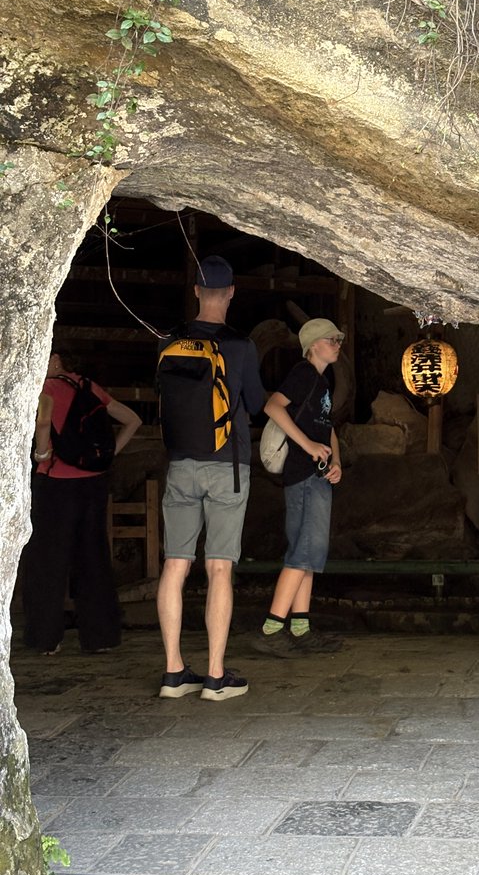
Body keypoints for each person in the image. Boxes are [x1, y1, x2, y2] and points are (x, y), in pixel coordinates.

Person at [156, 255, 265, 701]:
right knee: (219, 567)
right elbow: (256, 403)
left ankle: (173, 673)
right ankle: (216, 677)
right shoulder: (240, 346)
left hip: (181, 463)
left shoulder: (169, 341)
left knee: (175, 565)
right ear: (232, 292)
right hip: (227, 467)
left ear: (197, 291)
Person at [23, 348, 141, 655]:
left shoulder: (46, 387)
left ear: (55, 360)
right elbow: (133, 420)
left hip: (56, 482)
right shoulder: (89, 386)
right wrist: (108, 455)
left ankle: (46, 639)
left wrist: (42, 454)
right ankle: (101, 637)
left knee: (48, 560)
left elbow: (43, 422)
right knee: (93, 557)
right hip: (93, 483)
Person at [259, 318, 343, 653]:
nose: (337, 344)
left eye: (338, 339)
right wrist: (308, 446)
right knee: (304, 551)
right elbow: (272, 406)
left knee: (307, 552)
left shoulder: (322, 381)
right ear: (313, 345)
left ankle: (300, 628)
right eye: (331, 339)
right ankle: (271, 630)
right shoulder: (303, 373)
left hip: (316, 475)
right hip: (304, 475)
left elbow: (328, 427)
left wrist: (336, 462)